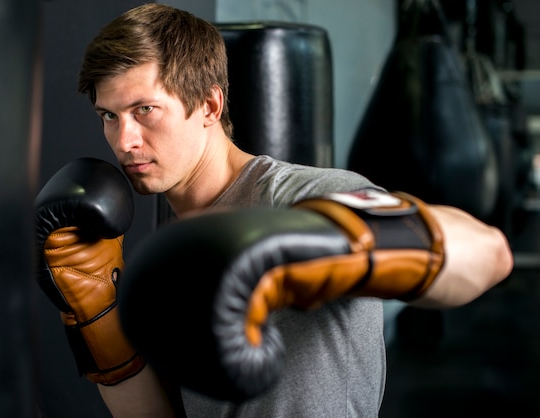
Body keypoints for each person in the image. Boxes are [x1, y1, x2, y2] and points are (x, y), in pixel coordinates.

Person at [35, 4, 513, 417]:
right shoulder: (166, 250)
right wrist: (100, 323)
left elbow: (490, 254)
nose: (125, 141)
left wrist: (339, 241)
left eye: (145, 110)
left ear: (209, 103)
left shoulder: (306, 199)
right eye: (109, 116)